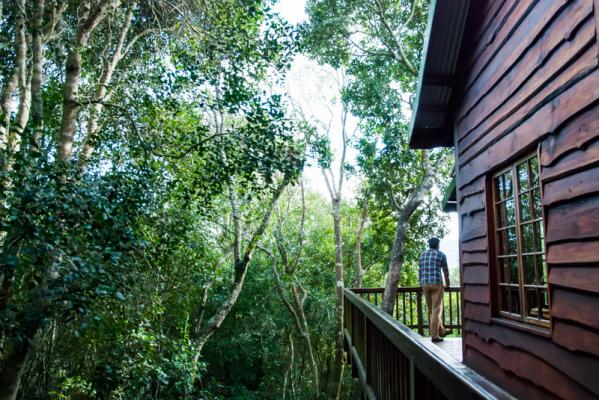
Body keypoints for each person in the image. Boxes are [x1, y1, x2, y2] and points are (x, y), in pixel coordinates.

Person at [419, 237, 450, 343]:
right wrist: (448, 283)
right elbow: (446, 271)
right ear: (438, 244)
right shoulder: (441, 255)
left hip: (425, 284)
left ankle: (441, 331)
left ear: (429, 245)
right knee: (436, 310)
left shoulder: (423, 254)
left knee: (432, 310)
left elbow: (420, 270)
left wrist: (421, 282)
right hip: (436, 283)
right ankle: (434, 336)